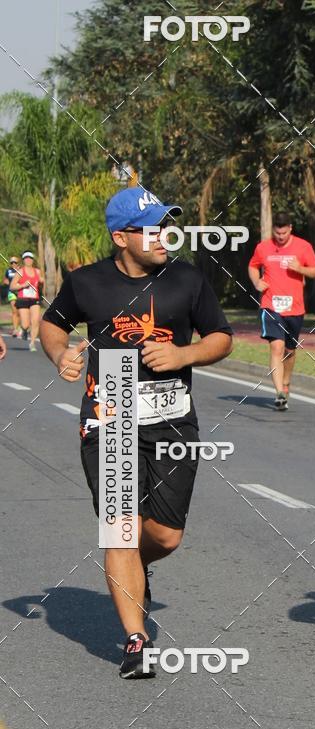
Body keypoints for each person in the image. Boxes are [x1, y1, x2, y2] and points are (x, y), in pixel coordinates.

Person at [41, 186, 233, 679]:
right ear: (120, 237)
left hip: (172, 418)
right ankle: (135, 641)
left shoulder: (186, 280)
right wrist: (59, 353)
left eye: (166, 225)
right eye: (152, 228)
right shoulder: (87, 283)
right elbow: (53, 325)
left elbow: (221, 337)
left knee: (165, 537)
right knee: (121, 528)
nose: (164, 236)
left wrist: (184, 355)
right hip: (112, 411)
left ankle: (132, 569)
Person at [248, 212, 315, 410]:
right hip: (271, 305)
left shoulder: (303, 247)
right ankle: (279, 392)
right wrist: (257, 282)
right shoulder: (263, 247)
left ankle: (286, 382)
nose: (280, 237)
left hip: (294, 308)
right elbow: (253, 266)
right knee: (277, 347)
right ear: (273, 230)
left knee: (289, 350)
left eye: (284, 232)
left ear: (290, 228)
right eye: (277, 233)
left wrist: (300, 268)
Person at [10, 251, 44, 351]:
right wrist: (22, 285)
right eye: (26, 258)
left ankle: (32, 343)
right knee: (25, 323)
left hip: (35, 299)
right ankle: (24, 329)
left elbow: (41, 282)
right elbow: (12, 287)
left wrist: (42, 282)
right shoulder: (20, 272)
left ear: (33, 260)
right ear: (23, 260)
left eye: (30, 258)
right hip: (23, 299)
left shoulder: (37, 271)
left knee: (36, 321)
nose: (28, 260)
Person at [2, 257, 21, 337]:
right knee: (14, 311)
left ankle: (20, 328)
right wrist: (6, 282)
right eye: (12, 263)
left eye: (15, 263)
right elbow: (5, 279)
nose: (13, 264)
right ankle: (15, 329)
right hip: (11, 292)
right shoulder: (8, 271)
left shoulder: (21, 271)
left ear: (18, 263)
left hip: (20, 292)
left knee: (20, 312)